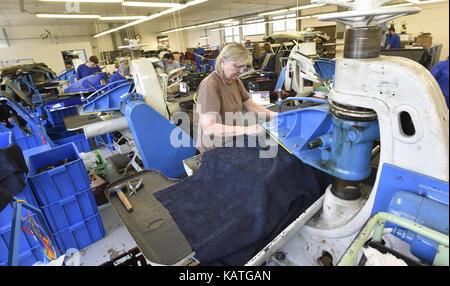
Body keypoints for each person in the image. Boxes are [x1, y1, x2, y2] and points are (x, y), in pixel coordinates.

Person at [195, 42, 277, 153]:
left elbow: (251, 106)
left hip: (233, 143)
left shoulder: (235, 81)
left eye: (244, 66)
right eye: (237, 66)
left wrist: (278, 116)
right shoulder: (209, 85)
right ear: (223, 62)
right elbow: (209, 128)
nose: (242, 71)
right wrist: (246, 130)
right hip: (214, 150)